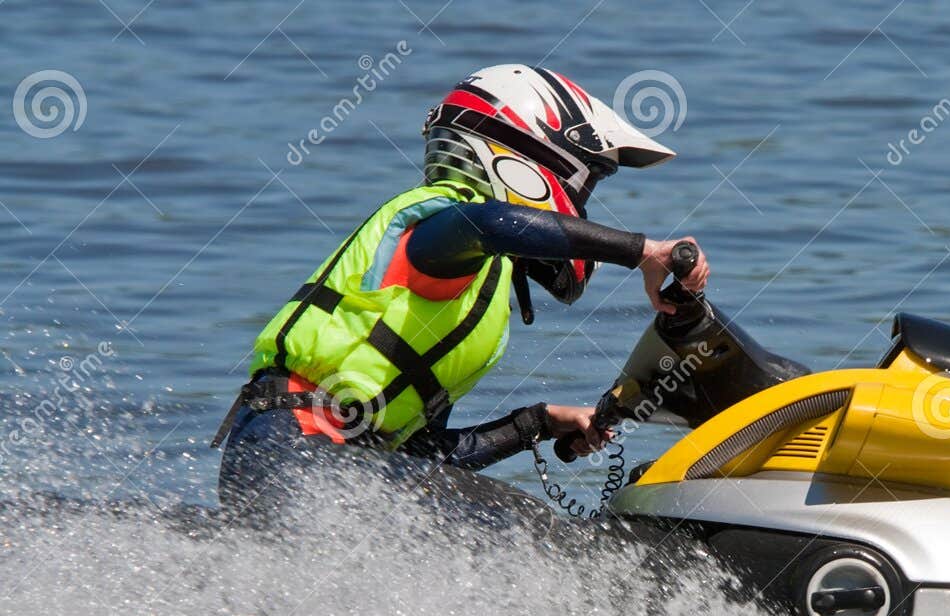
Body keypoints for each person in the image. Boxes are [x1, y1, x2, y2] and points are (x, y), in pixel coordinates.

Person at [215, 64, 709, 530]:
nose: (581, 207)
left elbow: (425, 458)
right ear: (525, 161)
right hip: (293, 450)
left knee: (494, 516)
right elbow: (493, 223)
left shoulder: (469, 275)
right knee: (516, 526)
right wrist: (642, 251)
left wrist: (535, 423)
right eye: (584, 185)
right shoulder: (445, 231)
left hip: (305, 463)